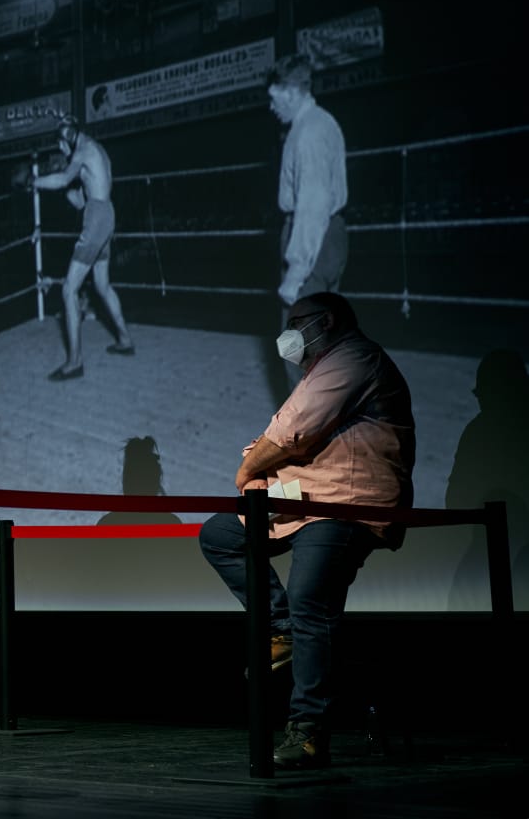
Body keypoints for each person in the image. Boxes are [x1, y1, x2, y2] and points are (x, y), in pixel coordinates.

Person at [198, 291, 414, 770]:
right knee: (220, 536)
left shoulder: (354, 356)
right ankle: (282, 629)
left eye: (297, 323)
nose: (288, 333)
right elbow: (282, 437)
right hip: (308, 497)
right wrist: (262, 466)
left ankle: (310, 730)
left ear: (328, 321)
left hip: (347, 504)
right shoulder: (320, 370)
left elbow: (290, 431)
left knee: (310, 598)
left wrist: (247, 472)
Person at [23, 114, 135, 380]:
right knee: (102, 285)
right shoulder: (97, 149)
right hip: (105, 213)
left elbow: (63, 180)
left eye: (61, 144)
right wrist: (71, 192)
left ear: (68, 137)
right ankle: (125, 340)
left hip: (97, 219)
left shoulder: (83, 150)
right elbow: (83, 196)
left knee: (68, 288)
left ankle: (74, 362)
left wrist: (33, 181)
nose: (62, 150)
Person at [445, 348, 529, 609]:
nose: (481, 400)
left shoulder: (478, 432)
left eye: (483, 394)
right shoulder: (477, 432)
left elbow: (456, 500)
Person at [268, 53, 348, 310]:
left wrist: (296, 271)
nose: (271, 106)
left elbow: (313, 203)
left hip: (311, 239)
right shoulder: (324, 121)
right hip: (328, 237)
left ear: (291, 92)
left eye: (273, 97)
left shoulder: (307, 135)